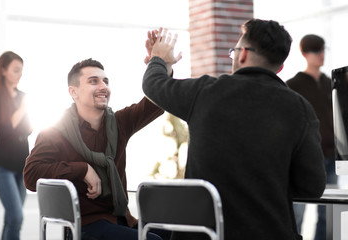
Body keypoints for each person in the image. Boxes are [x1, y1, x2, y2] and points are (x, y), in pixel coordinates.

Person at [142, 19, 327, 240]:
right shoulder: (300, 109)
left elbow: (153, 84)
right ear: (279, 68)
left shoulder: (204, 93)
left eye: (234, 52)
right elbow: (312, 187)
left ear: (243, 55)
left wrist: (159, 60)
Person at [23, 56, 166, 240]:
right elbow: (30, 175)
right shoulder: (55, 132)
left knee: (185, 233)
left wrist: (160, 64)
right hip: (85, 227)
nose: (103, 86)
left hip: (122, 220)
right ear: (73, 92)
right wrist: (81, 169)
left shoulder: (119, 123)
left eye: (105, 81)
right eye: (93, 81)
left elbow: (156, 103)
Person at [286, 34, 336, 240]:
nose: (321, 55)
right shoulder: (293, 84)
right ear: (305, 53)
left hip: (332, 155)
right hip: (305, 158)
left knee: (328, 212)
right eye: (316, 51)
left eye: (323, 50)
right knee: (298, 211)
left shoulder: (331, 82)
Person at [0, 51, 32, 240]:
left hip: (22, 164)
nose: (20, 74)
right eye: (16, 70)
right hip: (2, 164)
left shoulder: (22, 95)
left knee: (11, 219)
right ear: (3, 70)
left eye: (21, 70)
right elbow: (4, 130)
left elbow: (27, 129)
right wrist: (22, 108)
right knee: (16, 216)